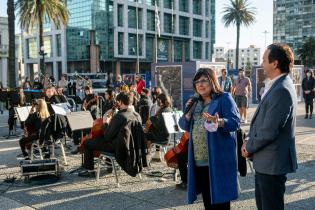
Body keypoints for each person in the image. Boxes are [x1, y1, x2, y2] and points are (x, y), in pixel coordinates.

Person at [242, 43, 298, 210]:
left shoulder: (281, 89)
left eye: (264, 60)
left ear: (275, 64)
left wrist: (248, 147)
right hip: (266, 162)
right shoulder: (277, 85)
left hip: (272, 165)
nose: (261, 63)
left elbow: (269, 131)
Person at [179, 68, 240, 209]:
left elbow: (235, 121)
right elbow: (184, 125)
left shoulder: (224, 98)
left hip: (218, 160)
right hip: (199, 161)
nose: (199, 84)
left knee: (221, 203)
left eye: (203, 80)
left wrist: (219, 122)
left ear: (212, 81)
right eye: (197, 82)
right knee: (207, 200)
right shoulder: (195, 102)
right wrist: (187, 113)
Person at [78, 92, 144, 177]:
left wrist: (106, 123)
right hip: (133, 147)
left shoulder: (120, 116)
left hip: (119, 148)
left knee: (87, 143)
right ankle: (109, 166)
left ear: (120, 102)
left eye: (117, 102)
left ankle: (90, 171)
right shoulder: (137, 115)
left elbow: (107, 136)